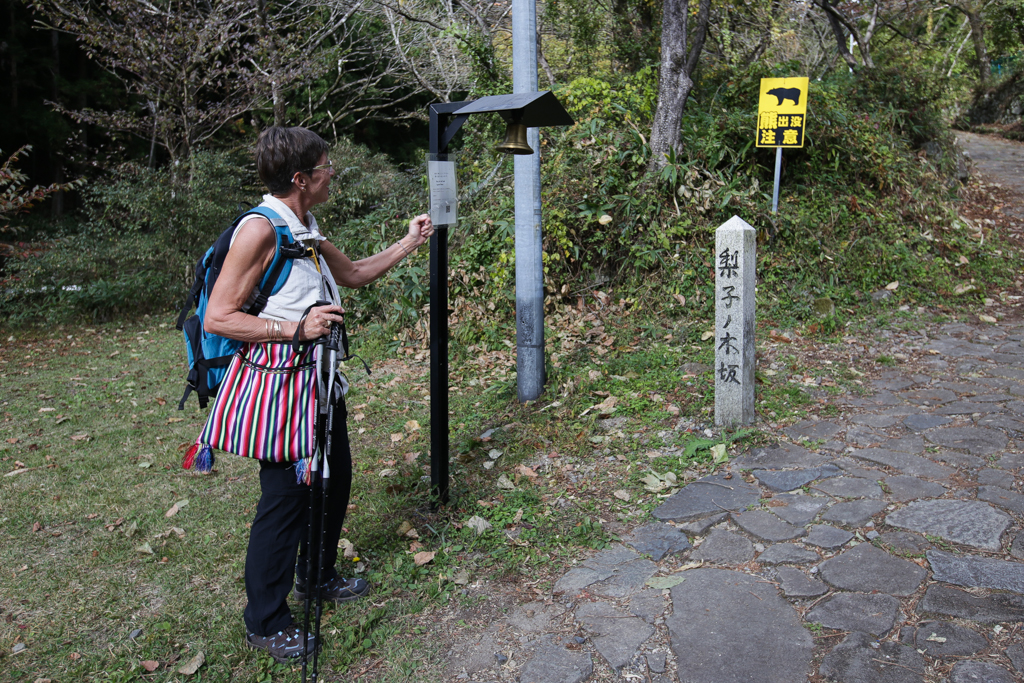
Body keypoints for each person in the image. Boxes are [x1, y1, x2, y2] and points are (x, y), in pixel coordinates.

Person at [204, 126, 433, 662]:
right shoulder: (261, 230)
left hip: (321, 384)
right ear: (301, 178)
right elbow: (218, 315)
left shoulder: (303, 225)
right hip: (279, 390)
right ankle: (265, 620)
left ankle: (316, 577)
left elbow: (351, 274)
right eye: (327, 167)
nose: (334, 174)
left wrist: (409, 240)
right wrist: (294, 329)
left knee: (334, 481)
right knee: (284, 501)